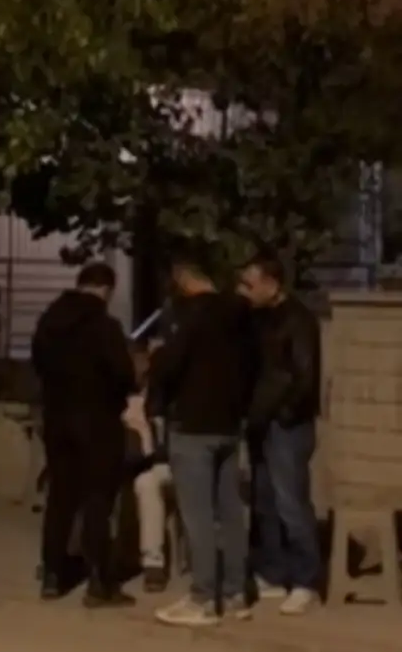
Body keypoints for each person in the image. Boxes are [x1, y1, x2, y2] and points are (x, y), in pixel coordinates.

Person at [148, 253, 254, 627]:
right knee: (230, 512)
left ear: (184, 278)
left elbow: (168, 366)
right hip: (229, 424)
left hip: (193, 425)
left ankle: (203, 598)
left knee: (198, 517)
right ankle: (236, 593)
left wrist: (157, 361)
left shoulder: (189, 317)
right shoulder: (241, 315)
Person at [30, 262, 137, 607]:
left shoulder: (49, 322)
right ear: (106, 289)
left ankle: (52, 575)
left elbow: (38, 367)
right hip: (98, 422)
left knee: (60, 499)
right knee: (97, 501)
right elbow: (123, 375)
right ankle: (99, 581)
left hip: (57, 420)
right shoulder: (105, 327)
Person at [238, 250, 322, 615]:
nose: (244, 291)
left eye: (250, 284)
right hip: (261, 421)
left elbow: (304, 376)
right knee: (265, 502)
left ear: (272, 284)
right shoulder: (257, 319)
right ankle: (272, 571)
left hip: (288, 425)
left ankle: (306, 580)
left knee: (291, 503)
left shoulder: (298, 320)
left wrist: (284, 414)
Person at [124, 341, 173, 593]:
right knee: (145, 483)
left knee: (147, 481)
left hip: (180, 463)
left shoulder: (173, 393)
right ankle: (153, 563)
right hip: (147, 464)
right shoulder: (128, 400)